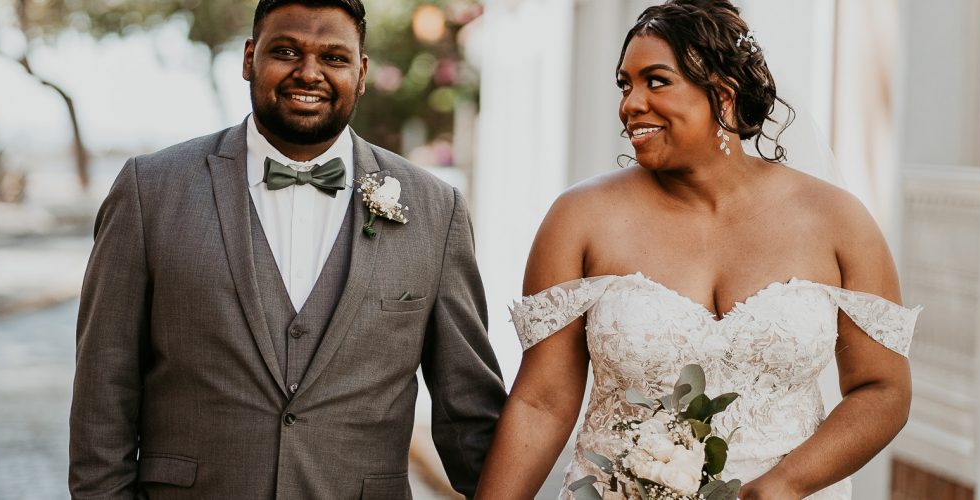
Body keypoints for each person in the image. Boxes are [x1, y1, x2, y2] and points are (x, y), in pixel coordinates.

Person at [474, 1, 919, 499]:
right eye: (626, 84)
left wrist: (786, 484)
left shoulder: (837, 220)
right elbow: (542, 404)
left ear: (723, 96)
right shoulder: (580, 219)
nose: (631, 103)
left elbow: (884, 389)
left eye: (656, 81)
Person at [68, 1, 506, 498]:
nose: (309, 73)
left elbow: (467, 411)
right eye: (286, 51)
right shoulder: (151, 190)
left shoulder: (435, 209)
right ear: (249, 58)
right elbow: (103, 390)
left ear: (361, 73)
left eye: (334, 58)